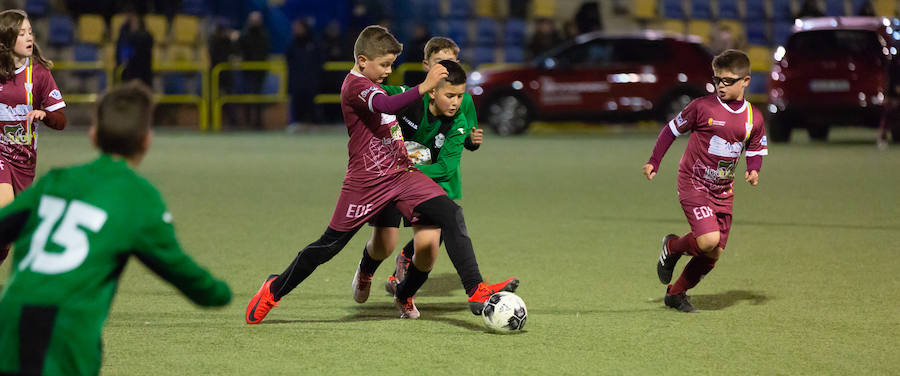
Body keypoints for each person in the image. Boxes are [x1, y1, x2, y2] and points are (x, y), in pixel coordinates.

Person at [245, 25, 514, 323]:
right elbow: (386, 103)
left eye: (391, 65)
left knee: (451, 214)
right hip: (366, 183)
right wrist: (426, 85)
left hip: (401, 174)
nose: (388, 70)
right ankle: (273, 290)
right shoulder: (354, 86)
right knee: (327, 247)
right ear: (362, 61)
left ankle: (475, 290)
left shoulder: (376, 83)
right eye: (384, 64)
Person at [0, 82, 232, 375]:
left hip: (11, 317)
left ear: (93, 136)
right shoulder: (139, 198)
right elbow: (179, 269)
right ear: (146, 142)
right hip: (67, 332)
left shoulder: (56, 180)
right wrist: (220, 293)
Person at [363, 60, 517, 317]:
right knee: (383, 245)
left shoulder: (458, 121)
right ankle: (366, 270)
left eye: (460, 96)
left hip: (417, 185)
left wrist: (408, 170)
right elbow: (372, 92)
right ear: (431, 87)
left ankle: (408, 294)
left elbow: (445, 168)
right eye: (450, 95)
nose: (456, 102)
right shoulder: (409, 98)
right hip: (385, 183)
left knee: (428, 248)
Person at [642, 49, 768, 313]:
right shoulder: (702, 107)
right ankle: (673, 246)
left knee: (713, 253)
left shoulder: (753, 118)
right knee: (708, 241)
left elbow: (755, 148)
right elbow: (670, 130)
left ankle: (676, 294)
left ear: (746, 81)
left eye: (728, 81)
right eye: (718, 79)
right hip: (693, 182)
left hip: (723, 190)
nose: (721, 85)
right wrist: (655, 160)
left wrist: (753, 169)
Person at [369, 37, 486, 296]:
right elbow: (378, 101)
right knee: (384, 241)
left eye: (452, 63)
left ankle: (406, 283)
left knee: (440, 230)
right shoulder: (412, 98)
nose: (447, 69)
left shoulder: (462, 102)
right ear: (427, 67)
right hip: (398, 173)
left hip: (438, 173)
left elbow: (466, 135)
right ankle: (373, 268)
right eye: (440, 64)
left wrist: (473, 142)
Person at [0, 9, 67, 266]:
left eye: (31, 32)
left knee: (8, 234)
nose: (29, 38)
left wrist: (44, 115)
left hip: (24, 161)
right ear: (6, 40)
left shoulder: (38, 75)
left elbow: (60, 121)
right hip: (0, 156)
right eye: (21, 33)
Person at [285, 18, 321, 127]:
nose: (296, 29)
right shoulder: (292, 44)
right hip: (296, 82)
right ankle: (296, 125)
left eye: (298, 27)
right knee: (297, 108)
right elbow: (289, 61)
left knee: (312, 108)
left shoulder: (313, 43)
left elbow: (319, 61)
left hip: (310, 82)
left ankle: (314, 127)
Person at [238, 11, 269, 129]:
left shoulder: (264, 35)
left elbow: (264, 52)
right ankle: (247, 121)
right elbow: (239, 50)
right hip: (247, 71)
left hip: (260, 71)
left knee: (259, 98)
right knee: (247, 97)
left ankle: (258, 122)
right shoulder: (245, 35)